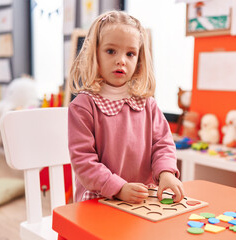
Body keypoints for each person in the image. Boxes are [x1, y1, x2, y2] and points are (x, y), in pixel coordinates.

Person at [68, 10, 184, 204]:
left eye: (130, 54)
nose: (121, 60)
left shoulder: (148, 104)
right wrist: (119, 188)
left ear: (138, 60)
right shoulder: (83, 106)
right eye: (111, 51)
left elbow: (163, 144)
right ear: (95, 54)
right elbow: (84, 162)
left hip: (141, 200)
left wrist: (166, 173)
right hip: (98, 199)